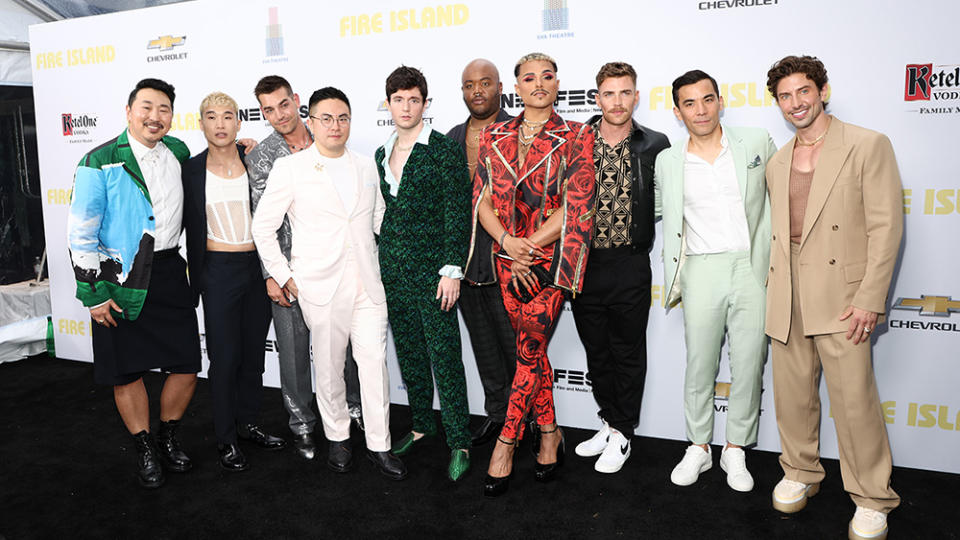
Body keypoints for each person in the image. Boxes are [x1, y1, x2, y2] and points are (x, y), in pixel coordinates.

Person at [764, 55, 902, 540]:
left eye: (803, 91)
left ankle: (871, 497)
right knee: (793, 396)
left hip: (844, 295)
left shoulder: (867, 144)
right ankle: (800, 471)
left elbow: (887, 228)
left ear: (823, 90)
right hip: (788, 292)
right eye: (785, 95)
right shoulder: (778, 160)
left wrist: (870, 298)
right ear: (777, 103)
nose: (795, 103)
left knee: (854, 401)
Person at [252, 87, 406, 480]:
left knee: (373, 364)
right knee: (330, 368)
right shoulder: (291, 168)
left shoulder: (367, 165)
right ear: (312, 120)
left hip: (369, 285)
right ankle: (338, 438)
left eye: (343, 118)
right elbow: (262, 227)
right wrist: (285, 276)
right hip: (319, 286)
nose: (335, 126)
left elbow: (378, 217)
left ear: (350, 121)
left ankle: (380, 444)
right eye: (326, 118)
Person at [467, 52, 596, 497]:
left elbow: (577, 203)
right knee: (534, 350)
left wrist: (530, 245)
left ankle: (505, 443)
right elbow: (481, 198)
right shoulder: (494, 134)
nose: (538, 83)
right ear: (515, 88)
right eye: (528, 78)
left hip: (549, 264)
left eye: (547, 76)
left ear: (558, 83)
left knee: (526, 347)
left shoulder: (577, 135)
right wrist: (507, 242)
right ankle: (549, 432)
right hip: (507, 259)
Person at [67, 78, 199, 488]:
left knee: (188, 365)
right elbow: (81, 233)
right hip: (117, 279)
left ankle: (168, 436)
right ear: (128, 111)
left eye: (163, 109)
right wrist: (93, 295)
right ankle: (144, 446)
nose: (154, 117)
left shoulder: (177, 151)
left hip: (169, 272)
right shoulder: (99, 159)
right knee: (126, 371)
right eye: (146, 107)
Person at [654, 70, 776, 492]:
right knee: (699, 364)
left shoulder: (756, 142)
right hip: (700, 267)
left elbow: (784, 195)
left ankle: (736, 448)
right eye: (689, 103)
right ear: (677, 111)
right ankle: (699, 446)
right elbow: (651, 209)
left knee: (748, 362)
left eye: (707, 100)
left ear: (720, 101)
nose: (700, 110)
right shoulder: (668, 160)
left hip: (751, 266)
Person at [247, 75, 364, 460]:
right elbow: (262, 220)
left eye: (283, 104)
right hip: (288, 273)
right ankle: (302, 424)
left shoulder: (328, 136)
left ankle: (351, 411)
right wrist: (272, 274)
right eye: (267, 110)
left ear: (297, 101)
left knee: (343, 346)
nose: (278, 115)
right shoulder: (262, 156)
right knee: (294, 351)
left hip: (336, 265)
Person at [375, 66, 473, 482]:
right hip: (393, 269)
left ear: (425, 104)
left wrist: (452, 270)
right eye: (398, 99)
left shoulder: (443, 150)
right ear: (388, 103)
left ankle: (459, 441)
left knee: (445, 356)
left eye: (414, 99)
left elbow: (458, 213)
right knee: (410, 352)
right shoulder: (382, 153)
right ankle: (420, 425)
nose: (406, 106)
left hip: (436, 272)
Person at [571, 61, 669, 474]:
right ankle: (610, 421)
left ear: (636, 96)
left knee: (628, 352)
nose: (617, 101)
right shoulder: (575, 139)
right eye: (608, 93)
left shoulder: (655, 143)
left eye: (625, 92)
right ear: (597, 97)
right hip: (582, 264)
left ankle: (624, 432)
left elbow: (664, 201)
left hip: (630, 263)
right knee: (597, 351)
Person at [182, 92, 285, 472]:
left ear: (239, 122)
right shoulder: (189, 171)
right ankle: (225, 438)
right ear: (202, 123)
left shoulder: (253, 160)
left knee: (253, 355)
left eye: (228, 116)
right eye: (212, 116)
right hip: (218, 270)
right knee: (224, 358)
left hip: (255, 268)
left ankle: (249, 424)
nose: (221, 124)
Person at [445, 58, 517, 447]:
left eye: (485, 83)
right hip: (465, 265)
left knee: (518, 353)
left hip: (508, 262)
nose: (477, 90)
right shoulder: (452, 138)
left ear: (499, 87)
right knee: (485, 351)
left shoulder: (520, 132)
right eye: (470, 84)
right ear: (462, 91)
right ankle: (497, 415)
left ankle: (530, 424)